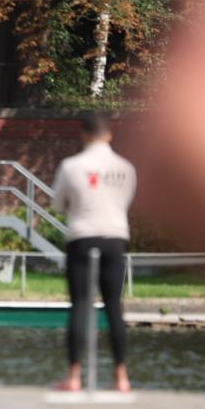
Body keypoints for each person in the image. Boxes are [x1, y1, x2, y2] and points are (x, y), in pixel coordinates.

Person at [51, 114, 136, 393]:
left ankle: (74, 377)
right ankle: (121, 377)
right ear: (109, 135)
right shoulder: (125, 168)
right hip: (114, 238)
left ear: (83, 134)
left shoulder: (71, 166)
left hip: (82, 237)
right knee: (114, 306)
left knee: (80, 306)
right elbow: (126, 201)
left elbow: (59, 204)